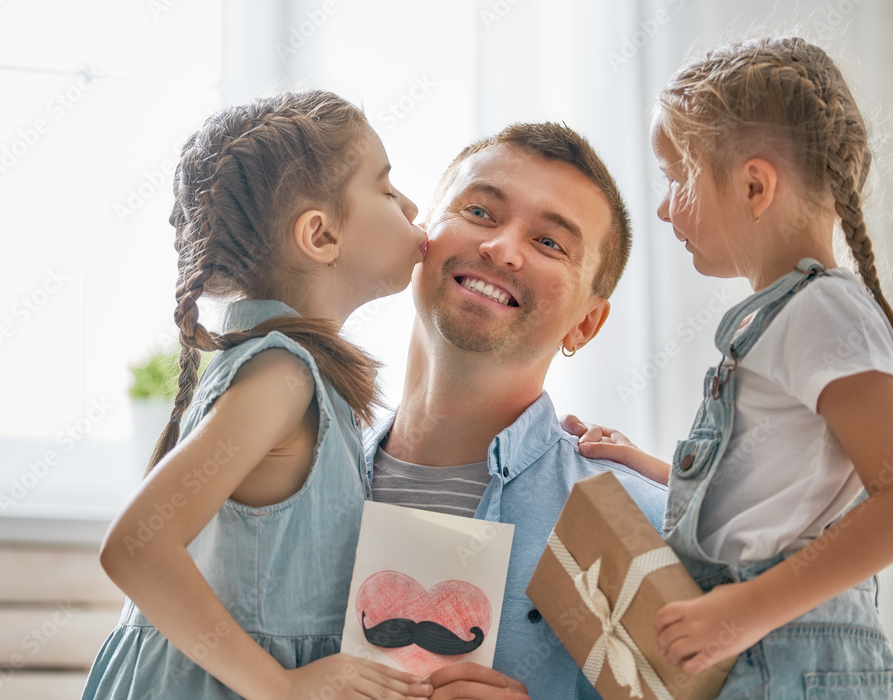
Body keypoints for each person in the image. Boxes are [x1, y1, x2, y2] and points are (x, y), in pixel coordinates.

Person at [573, 37, 893, 698]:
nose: (661, 208)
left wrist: (743, 612)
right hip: (765, 647)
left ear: (753, 185)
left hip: (795, 649)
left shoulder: (821, 310)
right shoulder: (790, 315)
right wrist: (654, 467)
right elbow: (771, 491)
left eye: (675, 178)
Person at [81, 91, 433, 700]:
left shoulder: (296, 375)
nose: (411, 204)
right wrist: (281, 685)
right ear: (320, 235)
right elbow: (135, 547)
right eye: (385, 187)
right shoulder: (283, 377)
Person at [365, 122, 668, 700]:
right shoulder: (290, 482)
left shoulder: (632, 524)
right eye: (480, 211)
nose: (501, 248)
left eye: (550, 243)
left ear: (587, 322)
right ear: (421, 239)